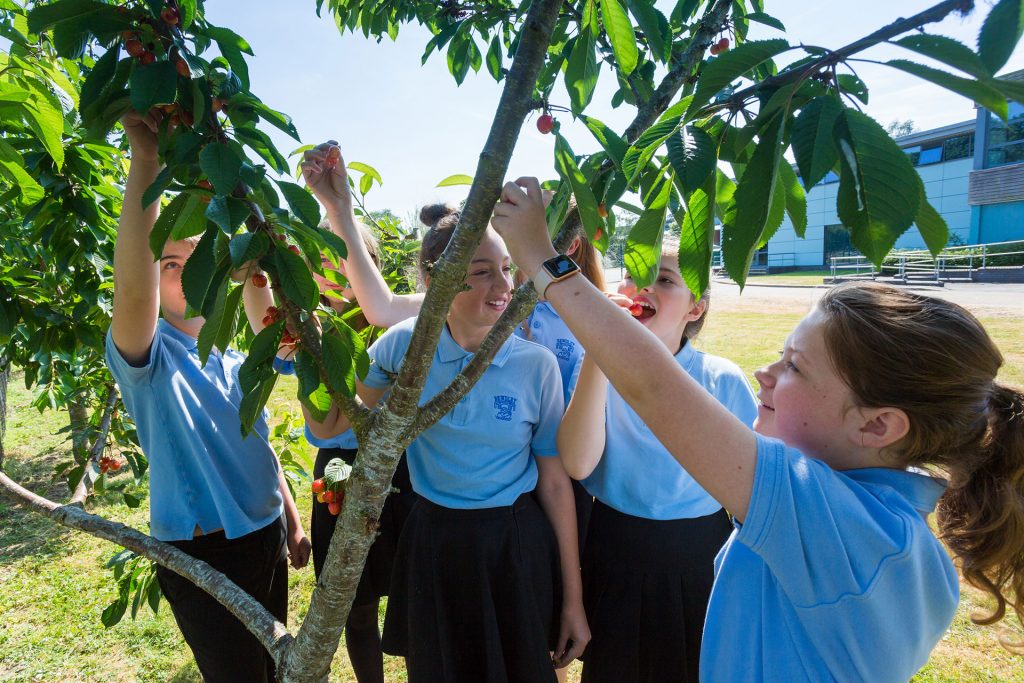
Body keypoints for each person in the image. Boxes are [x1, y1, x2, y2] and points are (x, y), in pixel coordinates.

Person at [491, 177, 1024, 682]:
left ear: (878, 424)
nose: (764, 374)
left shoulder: (836, 522)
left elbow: (655, 386)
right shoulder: (872, 517)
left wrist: (541, 257)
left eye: (794, 366)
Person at [305, 206, 590, 682]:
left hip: (512, 545)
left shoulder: (535, 367)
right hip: (435, 542)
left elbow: (556, 484)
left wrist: (573, 601)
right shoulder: (405, 348)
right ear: (439, 281)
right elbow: (333, 425)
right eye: (480, 273)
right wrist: (308, 351)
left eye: (504, 269)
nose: (502, 286)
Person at [106, 111, 310, 682]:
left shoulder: (230, 358)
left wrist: (291, 520)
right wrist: (145, 162)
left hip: (264, 532)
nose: (185, 272)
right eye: (169, 264)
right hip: (206, 553)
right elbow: (133, 282)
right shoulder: (149, 358)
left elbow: (258, 444)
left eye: (197, 258)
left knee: (273, 662)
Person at [559, 237, 758, 682]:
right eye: (633, 274)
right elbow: (577, 464)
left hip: (698, 553)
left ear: (695, 308)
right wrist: (599, 346)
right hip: (615, 547)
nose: (642, 287)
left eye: (664, 280)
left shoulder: (720, 379)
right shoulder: (597, 371)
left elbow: (753, 488)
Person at [248, 213, 417, 683]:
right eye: (316, 261)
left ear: (370, 265)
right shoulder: (304, 326)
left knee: (417, 592)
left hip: (407, 470)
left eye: (343, 260)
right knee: (355, 604)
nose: (330, 273)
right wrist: (257, 266)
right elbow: (324, 425)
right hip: (339, 472)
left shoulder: (399, 325)